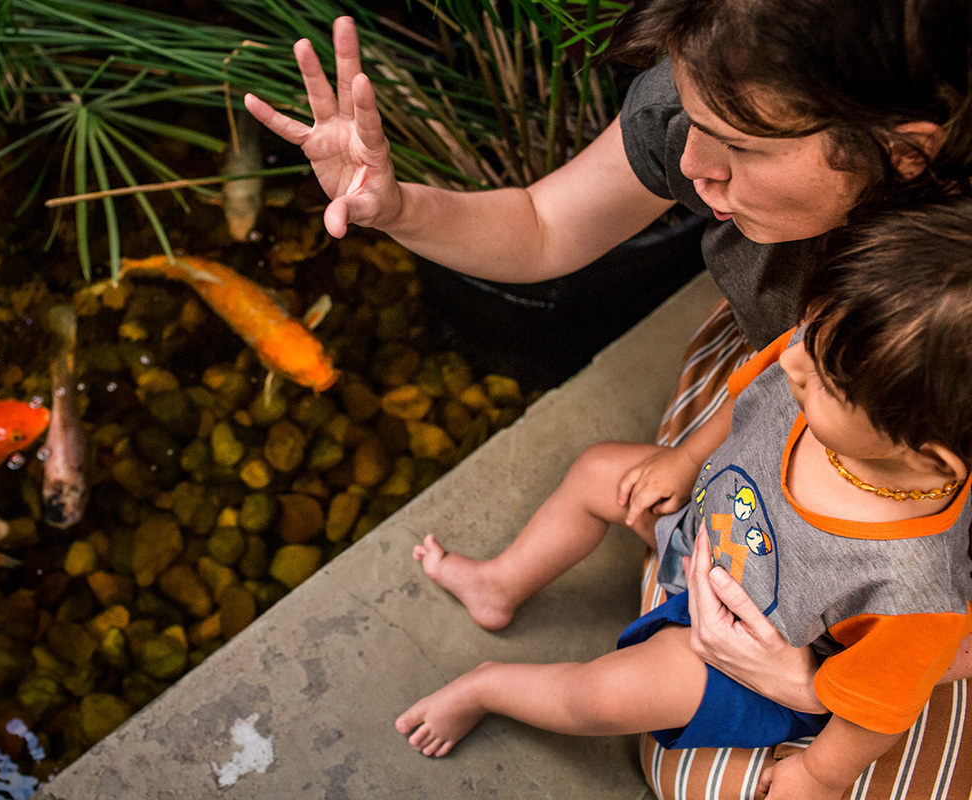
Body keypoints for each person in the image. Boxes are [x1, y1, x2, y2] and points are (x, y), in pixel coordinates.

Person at [243, 2, 972, 794]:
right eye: (692, 117)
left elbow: (920, 627)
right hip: (757, 491)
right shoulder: (735, 83)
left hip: (849, 577)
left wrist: (809, 689)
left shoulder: (920, 512)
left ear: (904, 150)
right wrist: (398, 207)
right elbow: (542, 224)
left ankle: (507, 681)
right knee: (612, 478)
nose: (693, 165)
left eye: (740, 146)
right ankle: (502, 583)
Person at [393, 197, 972, 800]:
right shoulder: (813, 357)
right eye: (810, 327)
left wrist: (819, 776)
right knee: (599, 472)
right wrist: (685, 458)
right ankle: (500, 584)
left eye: (824, 377)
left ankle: (487, 687)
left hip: (754, 651)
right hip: (703, 531)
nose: (792, 357)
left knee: (605, 695)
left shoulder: (915, 590)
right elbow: (748, 403)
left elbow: (875, 708)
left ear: (930, 457)